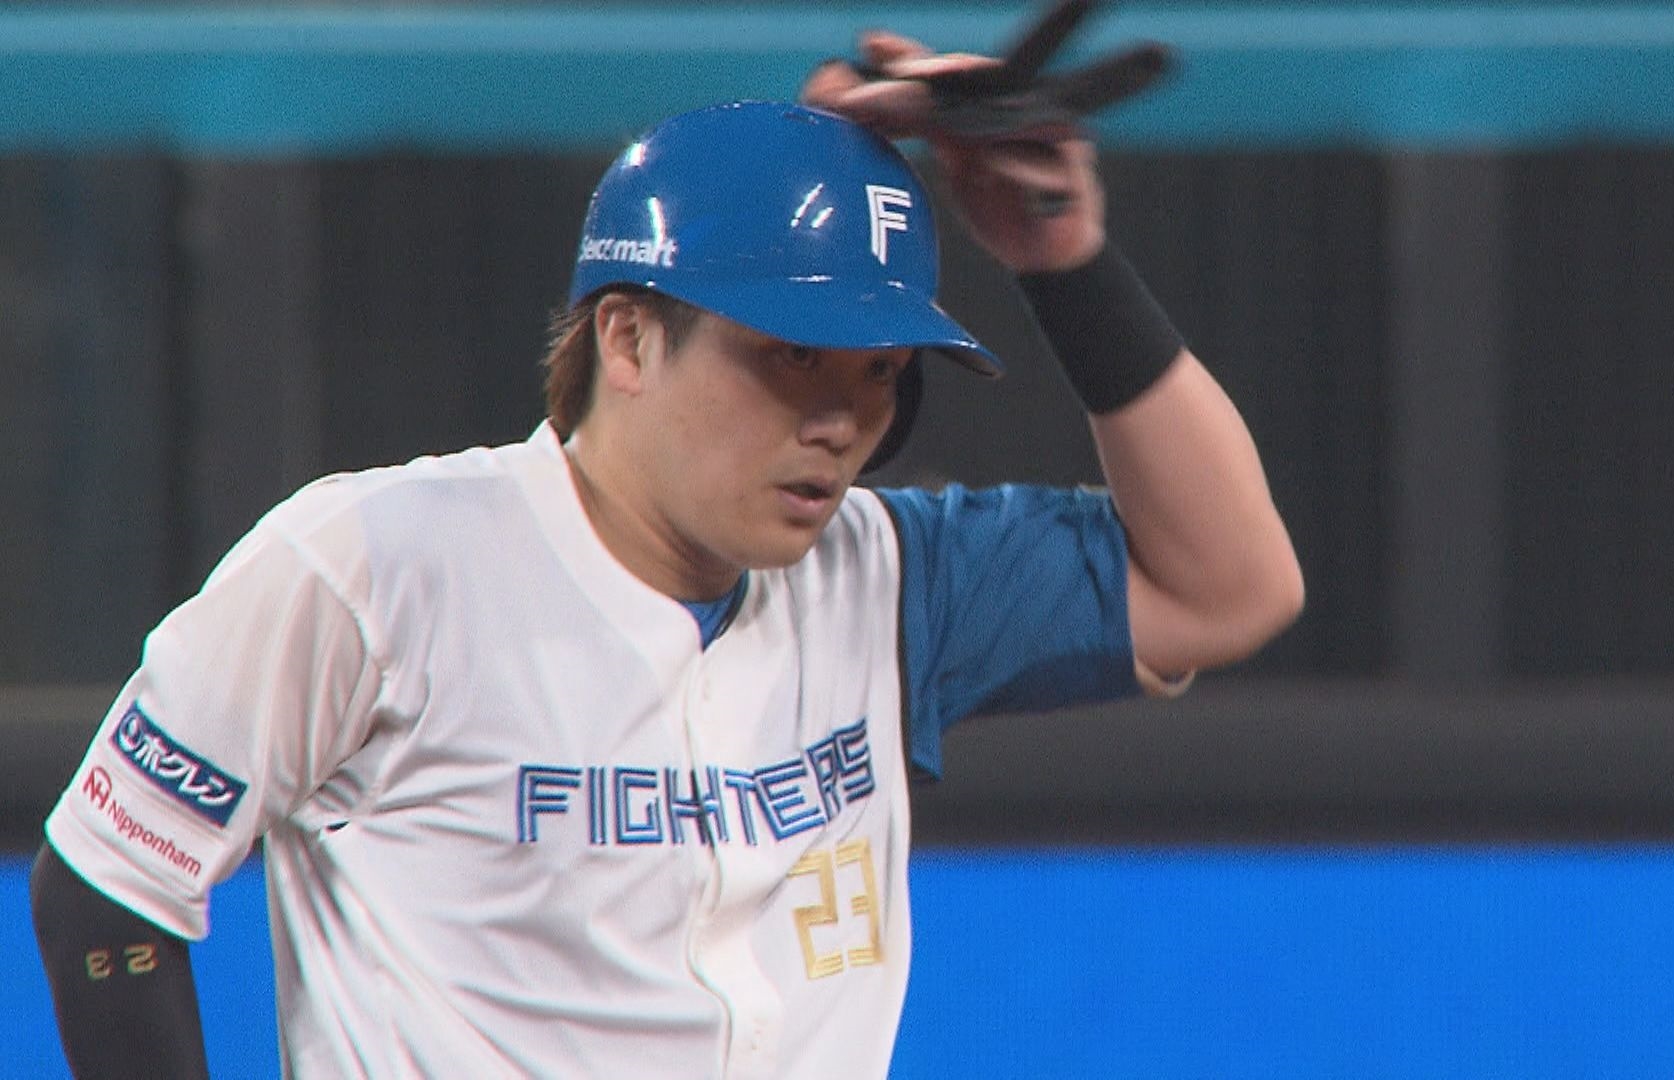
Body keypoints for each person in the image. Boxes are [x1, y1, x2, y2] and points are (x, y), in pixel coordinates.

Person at [30, 26, 1304, 1079]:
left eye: (878, 372)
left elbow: (1230, 587)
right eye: (791, 354)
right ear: (630, 340)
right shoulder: (375, 564)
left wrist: (1065, 265)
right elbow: (105, 884)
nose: (840, 420)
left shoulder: (886, 576)